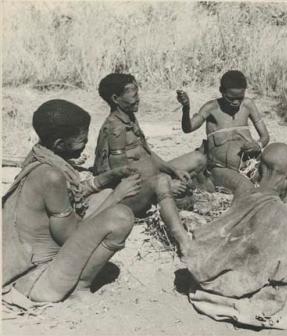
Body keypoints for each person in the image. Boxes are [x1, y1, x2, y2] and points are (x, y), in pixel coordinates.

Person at [2, 99, 140, 302]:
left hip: (24, 264)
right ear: (60, 144)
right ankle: (80, 288)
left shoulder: (40, 155)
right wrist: (118, 195)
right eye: (81, 139)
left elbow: (70, 195)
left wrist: (106, 178)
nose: (85, 144)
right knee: (121, 217)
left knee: (102, 194)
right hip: (36, 280)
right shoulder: (51, 176)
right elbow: (70, 236)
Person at [179, 143, 287, 329]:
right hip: (245, 287)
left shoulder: (243, 194)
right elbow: (284, 273)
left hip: (210, 282)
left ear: (259, 168)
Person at [94, 73, 205, 250]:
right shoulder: (115, 128)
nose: (139, 99)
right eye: (134, 95)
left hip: (151, 178)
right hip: (131, 194)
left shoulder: (129, 116)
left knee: (198, 159)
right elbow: (121, 176)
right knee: (163, 182)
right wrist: (164, 183)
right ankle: (183, 240)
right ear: (116, 98)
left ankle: (172, 197)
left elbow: (146, 153)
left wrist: (172, 169)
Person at [176, 70, 270, 193]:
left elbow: (265, 136)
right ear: (221, 91)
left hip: (252, 165)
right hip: (222, 169)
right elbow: (188, 128)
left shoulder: (248, 105)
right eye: (231, 98)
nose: (236, 102)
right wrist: (186, 108)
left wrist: (258, 145)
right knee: (244, 186)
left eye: (240, 98)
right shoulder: (211, 108)